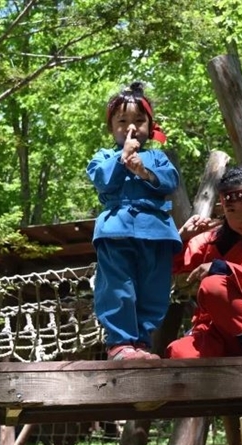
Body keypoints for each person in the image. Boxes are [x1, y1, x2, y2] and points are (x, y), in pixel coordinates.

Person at [86, 81, 181, 361]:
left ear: (150, 126)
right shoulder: (103, 156)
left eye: (139, 121)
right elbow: (102, 181)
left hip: (157, 231)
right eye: (122, 121)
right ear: (111, 127)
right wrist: (122, 158)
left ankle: (142, 342)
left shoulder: (157, 157)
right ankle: (120, 342)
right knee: (118, 286)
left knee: (154, 288)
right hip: (116, 230)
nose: (131, 127)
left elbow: (170, 181)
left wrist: (145, 172)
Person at [166, 167, 242, 358]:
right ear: (223, 210)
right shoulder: (211, 239)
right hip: (211, 331)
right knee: (178, 352)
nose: (241, 218)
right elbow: (175, 264)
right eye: (232, 210)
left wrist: (223, 268)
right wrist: (182, 238)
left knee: (213, 285)